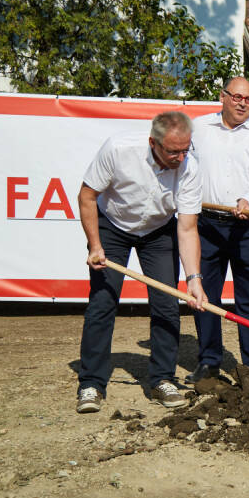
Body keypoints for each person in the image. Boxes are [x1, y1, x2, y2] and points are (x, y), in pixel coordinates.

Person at [75, 111, 207, 414]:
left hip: (158, 232)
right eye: (172, 151)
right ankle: (91, 382)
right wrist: (95, 245)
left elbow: (187, 228)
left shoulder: (190, 167)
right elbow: (87, 196)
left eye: (185, 150)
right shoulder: (119, 149)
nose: (179, 157)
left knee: (166, 302)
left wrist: (194, 280)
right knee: (103, 302)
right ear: (153, 142)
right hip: (113, 227)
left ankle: (162, 378)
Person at [187, 77, 249, 383]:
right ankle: (210, 361)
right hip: (207, 224)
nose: (242, 103)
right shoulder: (198, 129)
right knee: (206, 296)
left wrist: (247, 198)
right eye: (237, 97)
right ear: (222, 97)